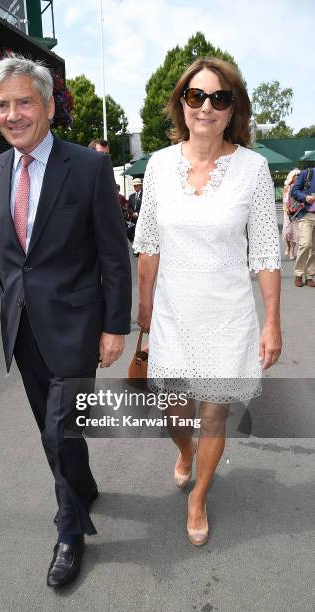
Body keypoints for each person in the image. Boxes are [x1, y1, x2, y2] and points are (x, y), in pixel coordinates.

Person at [0, 55, 132, 587]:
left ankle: (70, 531)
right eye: (2, 105)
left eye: (24, 101)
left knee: (56, 428)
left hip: (75, 325)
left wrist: (116, 325)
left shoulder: (88, 168)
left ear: (47, 105)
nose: (12, 114)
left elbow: (115, 255)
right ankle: (82, 484)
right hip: (20, 328)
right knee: (59, 428)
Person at [134, 57, 281, 546]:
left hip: (228, 315)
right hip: (174, 315)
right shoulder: (157, 165)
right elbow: (148, 244)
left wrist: (272, 322)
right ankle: (184, 451)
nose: (207, 107)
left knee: (214, 413)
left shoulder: (254, 170)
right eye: (196, 96)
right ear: (182, 103)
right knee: (177, 410)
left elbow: (264, 251)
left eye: (219, 98)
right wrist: (144, 313)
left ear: (232, 107)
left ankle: (199, 495)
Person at [291, 165, 315, 287]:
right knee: (305, 244)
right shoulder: (307, 173)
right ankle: (298, 274)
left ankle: (310, 275)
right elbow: (294, 191)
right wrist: (306, 197)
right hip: (307, 214)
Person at [281, 169, 300, 260]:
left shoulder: (301, 187)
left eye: (298, 176)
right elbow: (284, 199)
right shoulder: (287, 187)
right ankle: (288, 246)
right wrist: (286, 208)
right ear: (291, 177)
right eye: (296, 176)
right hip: (287, 212)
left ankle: (292, 249)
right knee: (287, 231)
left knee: (295, 232)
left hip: (297, 212)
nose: (297, 177)